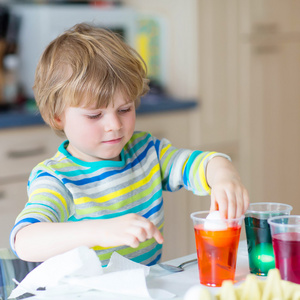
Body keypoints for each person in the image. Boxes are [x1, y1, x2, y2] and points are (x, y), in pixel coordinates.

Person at [10, 23, 249, 266]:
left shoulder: (146, 152)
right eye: (95, 115)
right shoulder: (57, 178)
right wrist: (98, 231)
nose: (114, 124)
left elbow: (204, 163)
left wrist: (224, 177)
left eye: (124, 109)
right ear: (57, 117)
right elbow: (24, 241)